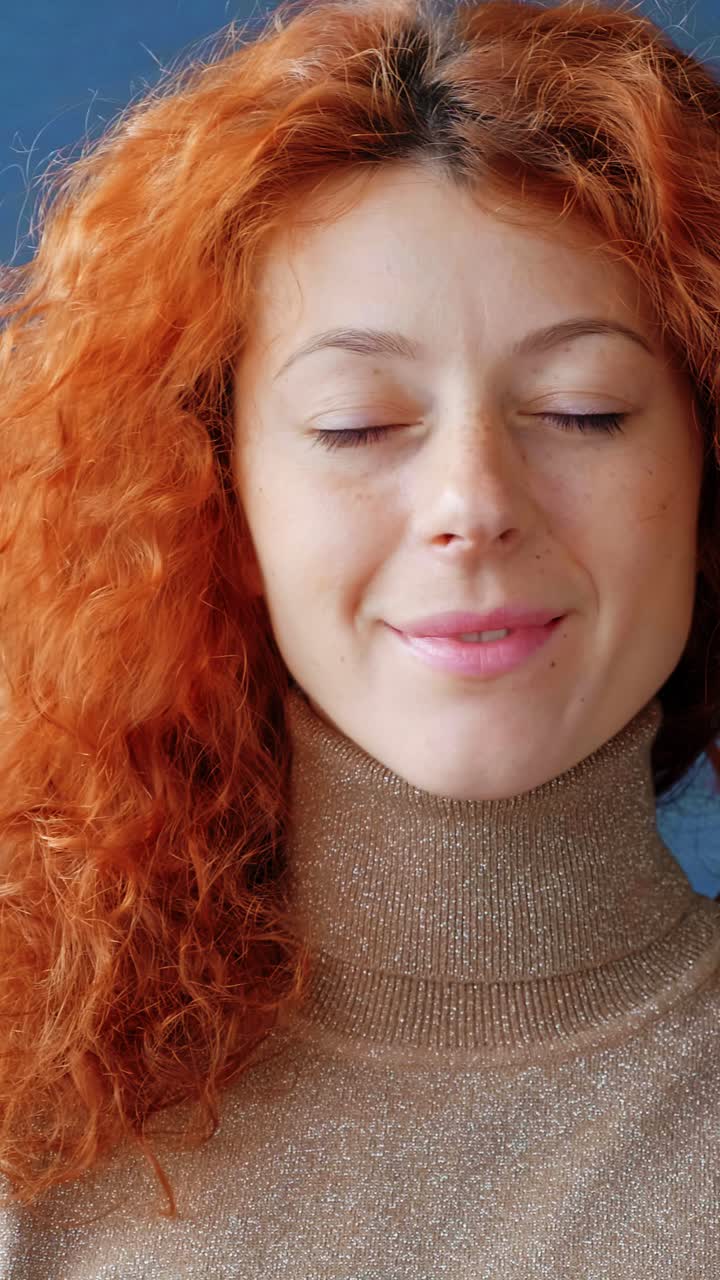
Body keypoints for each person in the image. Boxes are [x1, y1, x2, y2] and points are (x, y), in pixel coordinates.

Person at [0, 0, 718, 1273]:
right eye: (357, 424)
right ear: (213, 494)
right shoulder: (31, 1141)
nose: (474, 505)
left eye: (582, 408)